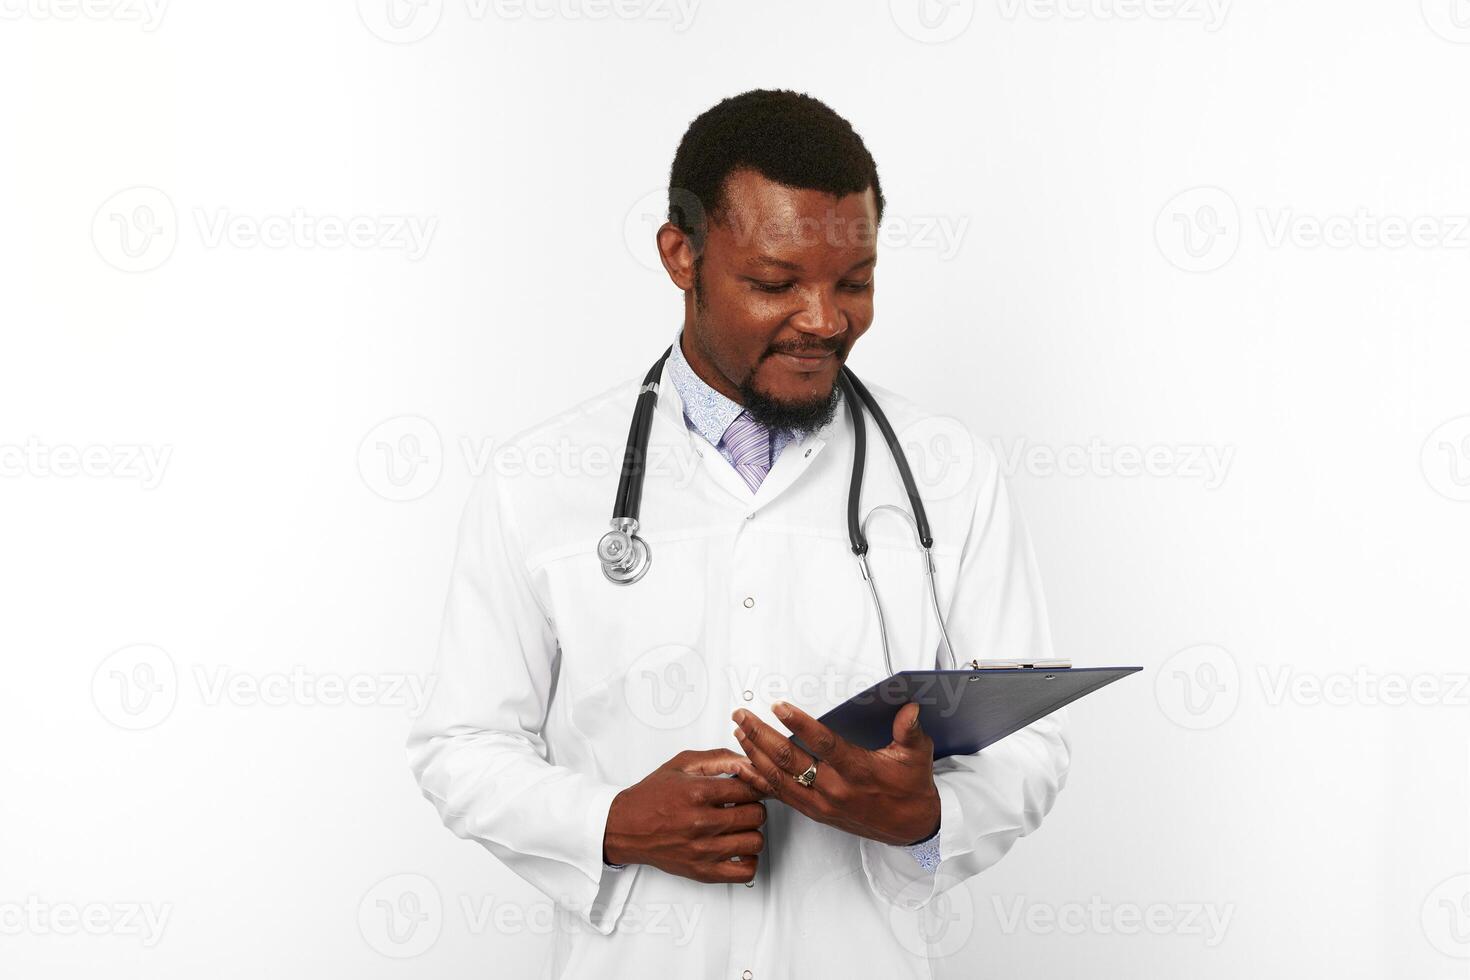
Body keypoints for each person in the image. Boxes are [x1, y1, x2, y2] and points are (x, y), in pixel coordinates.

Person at [407, 88, 1070, 978]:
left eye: (856, 281)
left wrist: (922, 818)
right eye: (774, 283)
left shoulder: (952, 476)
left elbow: (1029, 747)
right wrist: (611, 823)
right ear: (682, 255)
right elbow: (462, 745)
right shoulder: (538, 482)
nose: (826, 320)